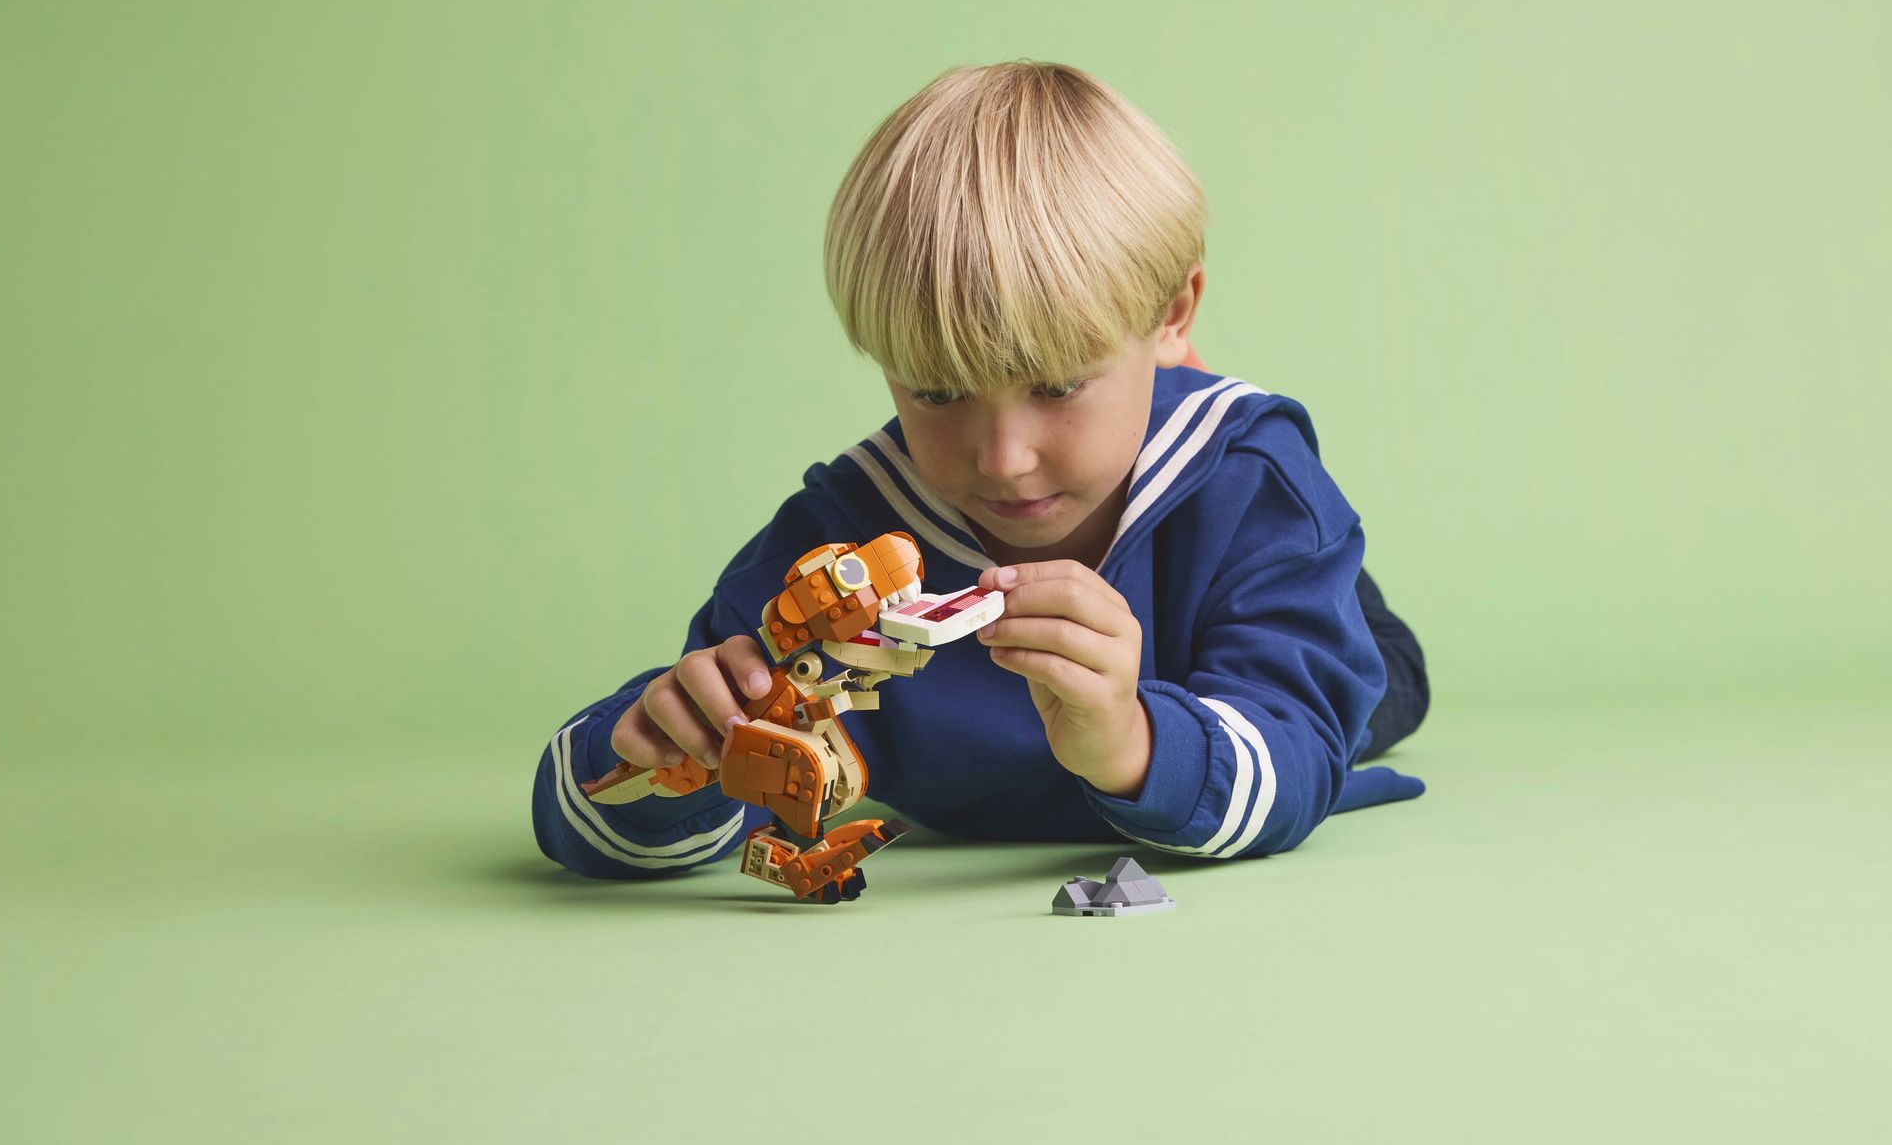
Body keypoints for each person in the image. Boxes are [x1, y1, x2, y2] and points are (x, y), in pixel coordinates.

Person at [531, 61, 1430, 881]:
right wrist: (661, 755)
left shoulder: (1249, 486)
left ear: (1172, 313)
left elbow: (1294, 755)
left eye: (1058, 385)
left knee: (1373, 676)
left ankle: (1311, 562)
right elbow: (591, 817)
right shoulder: (839, 546)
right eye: (938, 393)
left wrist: (1130, 742)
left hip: (1242, 624)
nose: (1003, 459)